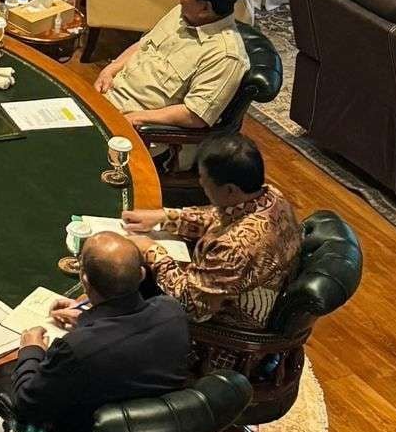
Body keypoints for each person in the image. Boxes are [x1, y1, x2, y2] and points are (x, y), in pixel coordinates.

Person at [7, 232, 191, 432]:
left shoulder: (76, 349)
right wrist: (88, 319)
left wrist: (31, 349)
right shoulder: (173, 311)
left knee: (8, 414)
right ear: (142, 274)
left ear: (84, 280)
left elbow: (26, 407)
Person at [123, 134, 301, 329]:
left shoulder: (234, 248)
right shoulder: (271, 196)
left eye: (204, 178)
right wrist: (165, 218)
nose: (200, 182)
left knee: (122, 282)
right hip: (232, 286)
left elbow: (191, 305)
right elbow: (220, 215)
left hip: (226, 324)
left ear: (230, 190)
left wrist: (152, 251)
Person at [95, 0, 248, 136]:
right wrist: (110, 70)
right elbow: (144, 45)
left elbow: (195, 115)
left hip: (136, 127)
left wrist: (135, 118)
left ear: (205, 8)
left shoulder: (225, 56)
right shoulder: (183, 13)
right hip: (106, 98)